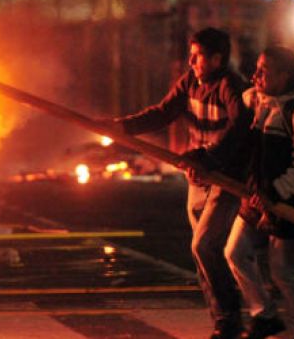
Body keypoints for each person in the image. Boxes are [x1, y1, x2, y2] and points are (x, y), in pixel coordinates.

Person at [108, 27, 252, 339]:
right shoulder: (190, 82)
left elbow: (241, 128)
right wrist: (124, 127)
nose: (191, 61)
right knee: (203, 253)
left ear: (216, 59)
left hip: (225, 177)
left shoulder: (231, 85)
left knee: (205, 245)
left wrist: (209, 159)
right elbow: (163, 112)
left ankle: (230, 318)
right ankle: (222, 318)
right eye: (192, 54)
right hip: (198, 177)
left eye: (198, 56)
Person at [224, 45, 294, 339]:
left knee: (284, 272)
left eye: (264, 71)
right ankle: (264, 315)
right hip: (257, 199)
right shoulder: (256, 101)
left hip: (289, 204)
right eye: (256, 68)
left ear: (284, 76)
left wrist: (277, 192)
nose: (255, 75)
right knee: (235, 252)